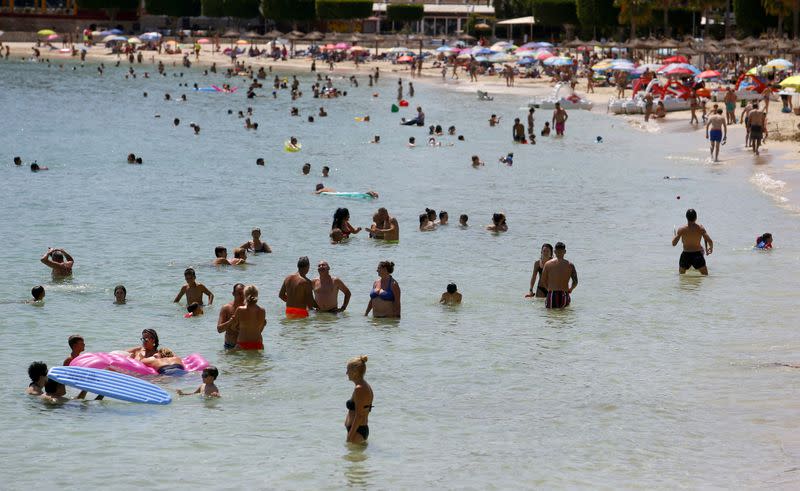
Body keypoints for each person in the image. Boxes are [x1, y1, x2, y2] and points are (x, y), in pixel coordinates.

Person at [672, 208, 713, 275]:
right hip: (697, 255)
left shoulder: (682, 229)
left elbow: (673, 244)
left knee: (682, 277)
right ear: (696, 217)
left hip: (685, 255)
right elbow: (710, 241)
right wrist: (711, 248)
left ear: (686, 217)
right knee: (705, 276)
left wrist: (675, 236)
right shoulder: (700, 228)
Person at [345, 355, 374, 444]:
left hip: (356, 432)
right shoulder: (364, 386)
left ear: (355, 372)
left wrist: (350, 437)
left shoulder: (360, 388)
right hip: (357, 431)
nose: (346, 373)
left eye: (348, 370)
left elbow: (359, 416)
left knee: (354, 457)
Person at [540, 242, 578, 309]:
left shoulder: (548, 264)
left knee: (550, 317)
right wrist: (571, 289)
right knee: (564, 317)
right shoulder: (570, 265)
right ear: (565, 251)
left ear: (554, 251)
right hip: (564, 294)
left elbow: (543, 280)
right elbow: (575, 281)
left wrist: (548, 289)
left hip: (552, 294)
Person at [231, 285, 266, 349]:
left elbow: (233, 327)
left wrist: (241, 329)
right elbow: (260, 329)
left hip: (242, 343)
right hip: (258, 343)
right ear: (257, 295)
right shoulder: (262, 310)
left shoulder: (240, 309)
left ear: (245, 295)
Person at [217, 283, 245, 349]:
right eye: (240, 293)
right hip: (230, 346)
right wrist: (230, 321)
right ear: (233, 293)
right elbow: (219, 329)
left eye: (244, 294)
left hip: (245, 347)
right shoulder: (226, 308)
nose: (242, 296)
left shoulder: (248, 308)